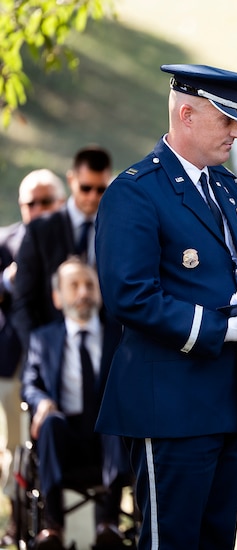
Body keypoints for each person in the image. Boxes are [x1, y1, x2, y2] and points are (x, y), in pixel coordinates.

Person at [94, 64, 237, 550]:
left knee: (216, 538)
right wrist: (218, 328)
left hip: (226, 398)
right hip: (168, 405)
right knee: (171, 541)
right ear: (187, 115)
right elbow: (129, 295)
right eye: (228, 119)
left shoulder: (229, 189)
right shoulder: (135, 191)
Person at [21, 258, 131, 550]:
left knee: (114, 416)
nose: (83, 292)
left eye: (89, 285)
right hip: (64, 438)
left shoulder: (120, 333)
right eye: (74, 286)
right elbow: (30, 384)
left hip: (109, 438)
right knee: (51, 423)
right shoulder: (42, 339)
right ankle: (53, 527)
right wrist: (42, 402)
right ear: (57, 298)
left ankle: (109, 523)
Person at [0, 169, 65, 546]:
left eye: (47, 202)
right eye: (31, 203)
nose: (38, 210)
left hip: (62, 360)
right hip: (15, 357)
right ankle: (15, 518)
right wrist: (10, 280)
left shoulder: (73, 237)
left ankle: (62, 522)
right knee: (13, 443)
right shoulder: (7, 239)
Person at [12, 146, 112, 349]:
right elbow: (23, 300)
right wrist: (39, 353)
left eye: (100, 189)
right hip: (50, 347)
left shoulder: (117, 228)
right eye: (86, 188)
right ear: (71, 180)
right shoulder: (40, 230)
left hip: (104, 351)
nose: (92, 196)